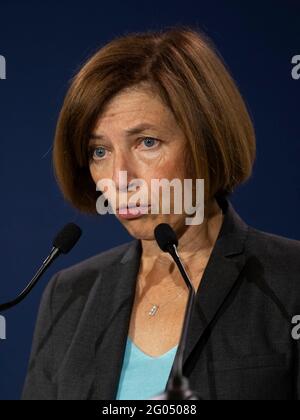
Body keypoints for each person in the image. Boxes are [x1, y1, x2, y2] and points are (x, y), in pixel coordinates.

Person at [22, 27, 300, 400]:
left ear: (207, 139)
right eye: (99, 151)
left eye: (147, 143)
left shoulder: (289, 281)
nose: (120, 179)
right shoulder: (69, 294)